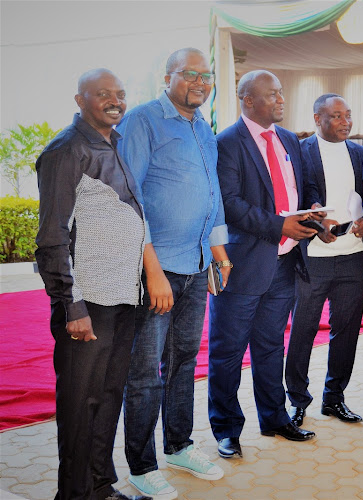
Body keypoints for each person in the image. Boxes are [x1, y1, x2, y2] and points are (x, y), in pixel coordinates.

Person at [117, 48, 228, 499]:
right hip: (156, 270)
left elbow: (212, 193)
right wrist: (152, 269)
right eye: (190, 74)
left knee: (184, 363)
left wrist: (218, 251)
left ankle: (179, 445)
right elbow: (129, 198)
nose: (200, 82)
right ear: (167, 77)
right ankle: (141, 466)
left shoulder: (205, 130)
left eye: (207, 75)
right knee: (145, 372)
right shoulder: (143, 121)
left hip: (198, 264)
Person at [35, 68, 149, 500]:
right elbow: (51, 238)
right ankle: (75, 494)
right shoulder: (66, 150)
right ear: (79, 99)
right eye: (102, 94)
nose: (114, 100)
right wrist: (71, 305)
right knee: (80, 408)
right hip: (88, 303)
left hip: (122, 296)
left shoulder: (112, 142)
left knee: (106, 400)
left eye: (119, 93)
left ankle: (100, 487)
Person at [209, 70, 323, 458]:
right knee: (228, 351)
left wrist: (311, 213)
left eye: (281, 92)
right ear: (247, 100)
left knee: (271, 345)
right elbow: (230, 203)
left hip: (286, 263)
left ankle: (274, 417)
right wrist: (280, 225)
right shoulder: (226, 143)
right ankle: (226, 428)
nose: (280, 99)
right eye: (272, 94)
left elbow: (299, 188)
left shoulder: (289, 138)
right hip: (241, 265)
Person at [285, 93, 363, 427]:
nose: (345, 122)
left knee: (346, 331)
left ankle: (334, 398)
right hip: (314, 259)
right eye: (336, 116)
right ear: (317, 119)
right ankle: (296, 400)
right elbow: (297, 195)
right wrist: (314, 225)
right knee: (303, 331)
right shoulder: (300, 151)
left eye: (348, 115)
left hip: (353, 257)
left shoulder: (360, 153)